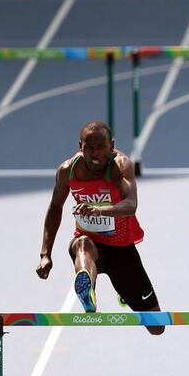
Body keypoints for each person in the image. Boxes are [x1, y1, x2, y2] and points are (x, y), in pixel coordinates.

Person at [36, 121, 164, 336]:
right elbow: (55, 207)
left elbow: (131, 204)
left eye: (100, 147)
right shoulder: (68, 171)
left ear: (111, 145)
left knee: (156, 326)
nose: (94, 154)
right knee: (82, 245)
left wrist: (99, 210)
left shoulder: (120, 167)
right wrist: (45, 254)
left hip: (122, 250)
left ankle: (123, 290)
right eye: (89, 147)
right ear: (80, 146)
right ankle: (88, 293)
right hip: (90, 244)